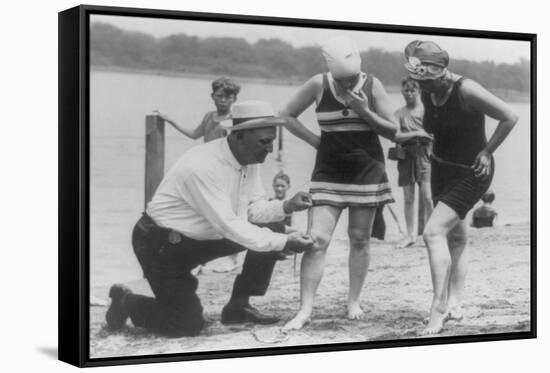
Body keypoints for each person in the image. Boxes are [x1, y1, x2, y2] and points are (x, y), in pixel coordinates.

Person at [105, 101, 314, 337]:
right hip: (161, 246)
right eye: (264, 142)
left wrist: (287, 205)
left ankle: (238, 306)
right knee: (185, 324)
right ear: (239, 137)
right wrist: (285, 242)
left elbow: (253, 210)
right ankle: (126, 301)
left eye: (272, 142)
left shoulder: (247, 157)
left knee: (273, 226)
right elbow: (230, 225)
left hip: (201, 238)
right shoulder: (203, 166)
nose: (269, 149)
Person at [279, 36, 397, 330]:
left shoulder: (374, 85)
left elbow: (394, 131)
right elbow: (286, 116)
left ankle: (353, 301)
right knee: (316, 241)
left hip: (366, 171)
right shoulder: (318, 84)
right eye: (342, 79)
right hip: (328, 172)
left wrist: (365, 111)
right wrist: (316, 141)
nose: (347, 84)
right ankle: (305, 309)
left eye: (352, 78)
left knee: (359, 239)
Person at [403, 40, 518, 335]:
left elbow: (510, 117)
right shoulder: (429, 91)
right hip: (441, 168)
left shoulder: (466, 90)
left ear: (442, 72)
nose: (423, 88)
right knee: (456, 237)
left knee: (431, 232)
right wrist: (425, 138)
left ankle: (438, 307)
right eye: (419, 82)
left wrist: (487, 151)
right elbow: (434, 125)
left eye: (427, 81)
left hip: (473, 172)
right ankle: (455, 301)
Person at [157, 77, 241, 273]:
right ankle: (199, 261)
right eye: (219, 96)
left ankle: (232, 258)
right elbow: (194, 134)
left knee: (228, 212)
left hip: (225, 170)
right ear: (212, 96)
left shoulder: (234, 119)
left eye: (227, 97)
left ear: (234, 99)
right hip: (206, 169)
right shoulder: (209, 116)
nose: (222, 100)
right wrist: (170, 120)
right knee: (200, 213)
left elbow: (235, 148)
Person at [394, 78, 434, 248]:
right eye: (406, 91)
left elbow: (433, 134)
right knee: (408, 198)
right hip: (406, 156)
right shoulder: (398, 114)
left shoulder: (426, 111)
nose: (409, 94)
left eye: (412, 90)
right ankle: (410, 235)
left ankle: (432, 232)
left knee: (427, 196)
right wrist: (418, 133)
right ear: (402, 92)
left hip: (425, 155)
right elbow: (396, 136)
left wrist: (424, 136)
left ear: (418, 91)